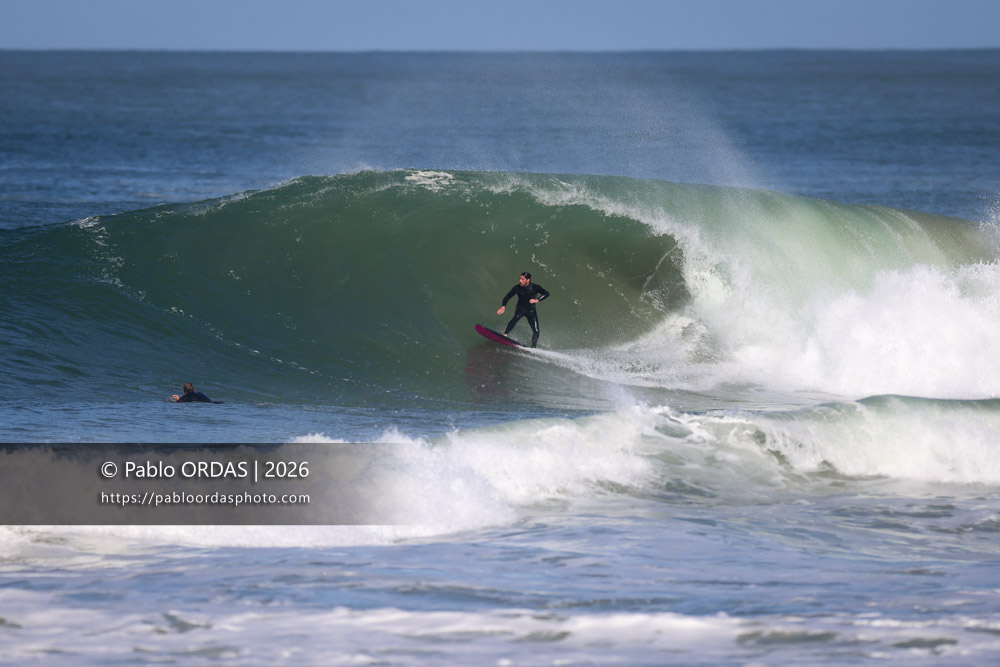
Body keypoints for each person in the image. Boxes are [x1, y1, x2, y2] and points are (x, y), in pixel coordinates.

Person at [497, 271, 550, 348]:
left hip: (531, 311)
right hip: (520, 309)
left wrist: (537, 300)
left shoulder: (535, 287)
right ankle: (505, 334)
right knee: (515, 318)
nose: (520, 281)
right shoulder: (517, 288)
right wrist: (503, 306)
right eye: (520, 279)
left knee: (536, 332)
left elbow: (546, 293)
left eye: (522, 279)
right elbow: (507, 297)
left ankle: (533, 347)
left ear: (528, 280)